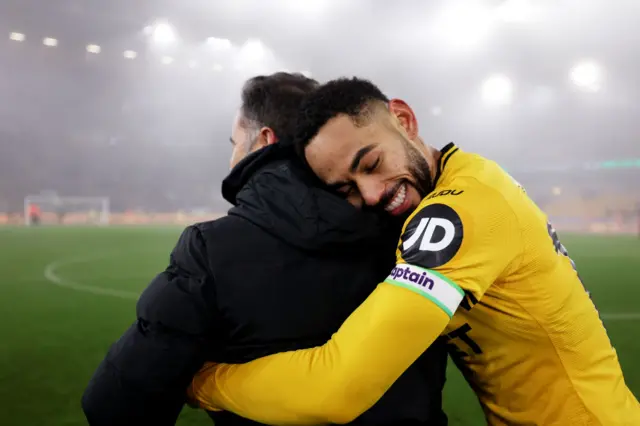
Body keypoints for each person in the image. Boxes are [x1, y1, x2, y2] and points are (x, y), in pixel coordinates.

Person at [189, 77, 640, 425]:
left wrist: (203, 381)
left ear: (404, 120)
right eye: (346, 188)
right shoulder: (452, 180)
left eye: (371, 164)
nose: (369, 194)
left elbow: (337, 387)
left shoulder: (459, 212)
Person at [82, 73, 449, 426]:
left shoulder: (210, 251)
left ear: (264, 140)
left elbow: (116, 407)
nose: (231, 159)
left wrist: (204, 383)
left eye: (234, 143)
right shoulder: (415, 228)